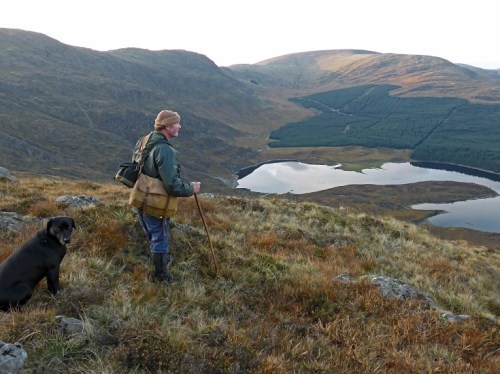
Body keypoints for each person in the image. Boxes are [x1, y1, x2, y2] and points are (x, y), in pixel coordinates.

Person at [133, 109, 201, 283]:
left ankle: (156, 267)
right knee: (160, 238)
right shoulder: (165, 150)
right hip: (156, 203)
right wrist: (191, 189)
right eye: (177, 123)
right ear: (168, 126)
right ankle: (161, 278)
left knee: (152, 234)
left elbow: (137, 165)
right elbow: (172, 185)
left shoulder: (145, 140)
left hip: (141, 197)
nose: (180, 126)